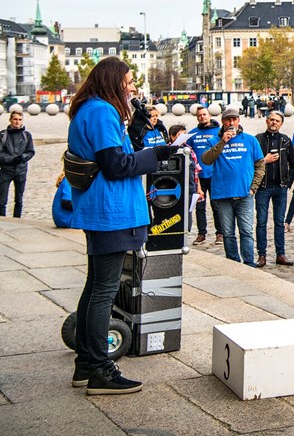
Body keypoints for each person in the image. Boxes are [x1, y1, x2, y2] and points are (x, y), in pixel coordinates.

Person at [67, 57, 178, 394]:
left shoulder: (93, 109)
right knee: (104, 290)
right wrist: (157, 154)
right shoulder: (101, 111)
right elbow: (116, 165)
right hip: (110, 212)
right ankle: (101, 369)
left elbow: (110, 152)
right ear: (113, 81)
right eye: (129, 81)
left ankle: (86, 364)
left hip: (103, 210)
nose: (132, 86)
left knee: (95, 285)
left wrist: (135, 131)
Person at [201, 106, 265, 266]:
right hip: (223, 194)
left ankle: (249, 263)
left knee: (246, 231)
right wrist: (223, 141)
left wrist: (253, 187)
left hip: (244, 194)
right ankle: (233, 263)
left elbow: (260, 164)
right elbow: (206, 160)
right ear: (222, 122)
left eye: (234, 119)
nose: (231, 123)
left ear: (238, 120)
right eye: (228, 120)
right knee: (228, 233)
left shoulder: (250, 140)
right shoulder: (214, 140)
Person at [254, 111, 294, 268]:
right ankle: (262, 255)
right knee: (261, 221)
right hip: (263, 187)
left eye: (277, 121)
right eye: (271, 120)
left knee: (279, 222)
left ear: (281, 123)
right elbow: (250, 161)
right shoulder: (257, 139)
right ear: (266, 121)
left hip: (280, 187)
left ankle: (280, 253)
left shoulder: (285, 141)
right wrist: (264, 161)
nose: (274, 122)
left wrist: (288, 181)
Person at [188, 107, 222, 245]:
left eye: (204, 114)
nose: (202, 117)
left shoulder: (219, 132)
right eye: (199, 115)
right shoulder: (192, 134)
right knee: (200, 206)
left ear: (209, 115)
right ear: (197, 117)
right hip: (199, 177)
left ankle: (220, 233)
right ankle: (202, 233)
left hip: (215, 174)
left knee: (217, 206)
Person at [0, 110, 35, 217]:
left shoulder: (26, 135)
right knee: (2, 199)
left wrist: (22, 158)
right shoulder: (3, 135)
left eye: (19, 119)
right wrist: (12, 159)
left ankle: (17, 220)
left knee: (19, 199)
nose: (17, 122)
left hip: (21, 170)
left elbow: (30, 151)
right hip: (6, 171)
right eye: (15, 119)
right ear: (10, 120)